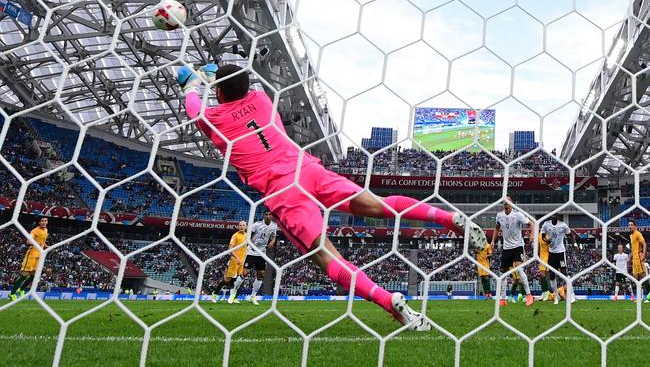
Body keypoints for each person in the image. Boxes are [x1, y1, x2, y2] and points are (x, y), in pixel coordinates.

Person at [176, 64, 488, 330]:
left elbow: (193, 105)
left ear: (218, 93)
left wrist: (192, 83)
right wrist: (216, 76)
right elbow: (235, 89)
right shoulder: (260, 100)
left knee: (327, 258)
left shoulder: (214, 119)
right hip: (307, 168)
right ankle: (448, 218)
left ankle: (388, 301)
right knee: (377, 205)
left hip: (283, 190)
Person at [490, 196, 534, 307]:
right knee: (503, 274)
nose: (505, 204)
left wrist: (532, 234)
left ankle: (529, 296)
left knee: (519, 269)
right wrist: (493, 240)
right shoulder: (500, 216)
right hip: (506, 248)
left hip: (518, 246)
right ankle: (503, 299)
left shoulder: (518, 215)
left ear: (512, 203)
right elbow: (496, 228)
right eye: (504, 202)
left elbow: (531, 224)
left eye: (508, 202)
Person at [229, 209, 278, 305]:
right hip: (251, 251)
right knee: (245, 273)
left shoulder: (274, 226)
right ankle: (233, 293)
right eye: (266, 214)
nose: (268, 216)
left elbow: (273, 236)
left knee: (261, 275)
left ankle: (253, 296)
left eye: (269, 214)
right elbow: (248, 236)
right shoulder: (256, 225)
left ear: (272, 216)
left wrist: (273, 241)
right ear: (264, 215)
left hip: (262, 253)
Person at [9, 217, 48, 301]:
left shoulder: (46, 230)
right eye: (42, 221)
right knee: (25, 274)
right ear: (39, 222)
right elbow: (28, 241)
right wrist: (36, 243)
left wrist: (46, 246)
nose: (44, 222)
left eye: (45, 221)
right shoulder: (34, 231)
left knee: (34, 275)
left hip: (40, 254)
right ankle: (12, 294)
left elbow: (43, 242)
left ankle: (21, 289)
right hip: (32, 254)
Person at [541, 214, 576, 305]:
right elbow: (543, 236)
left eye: (554, 215)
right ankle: (556, 297)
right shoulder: (546, 224)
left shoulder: (563, 225)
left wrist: (575, 244)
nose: (553, 217)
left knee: (564, 273)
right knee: (552, 275)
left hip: (560, 252)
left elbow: (570, 235)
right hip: (551, 253)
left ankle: (572, 295)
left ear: (557, 217)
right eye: (551, 215)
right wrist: (546, 240)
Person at [211, 221, 247, 303]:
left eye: (243, 225)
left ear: (246, 227)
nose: (241, 227)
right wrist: (236, 257)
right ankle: (215, 293)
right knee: (227, 279)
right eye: (240, 225)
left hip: (242, 261)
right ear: (238, 227)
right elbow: (230, 248)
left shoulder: (247, 236)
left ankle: (234, 298)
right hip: (235, 260)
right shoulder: (235, 236)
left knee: (241, 279)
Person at [629, 220, 647, 301]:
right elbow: (634, 249)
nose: (630, 226)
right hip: (634, 259)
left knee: (643, 277)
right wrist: (630, 257)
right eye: (629, 225)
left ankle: (647, 296)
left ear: (635, 226)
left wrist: (643, 254)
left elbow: (644, 244)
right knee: (636, 279)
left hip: (639, 258)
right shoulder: (631, 236)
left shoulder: (637, 233)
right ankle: (639, 297)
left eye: (631, 225)